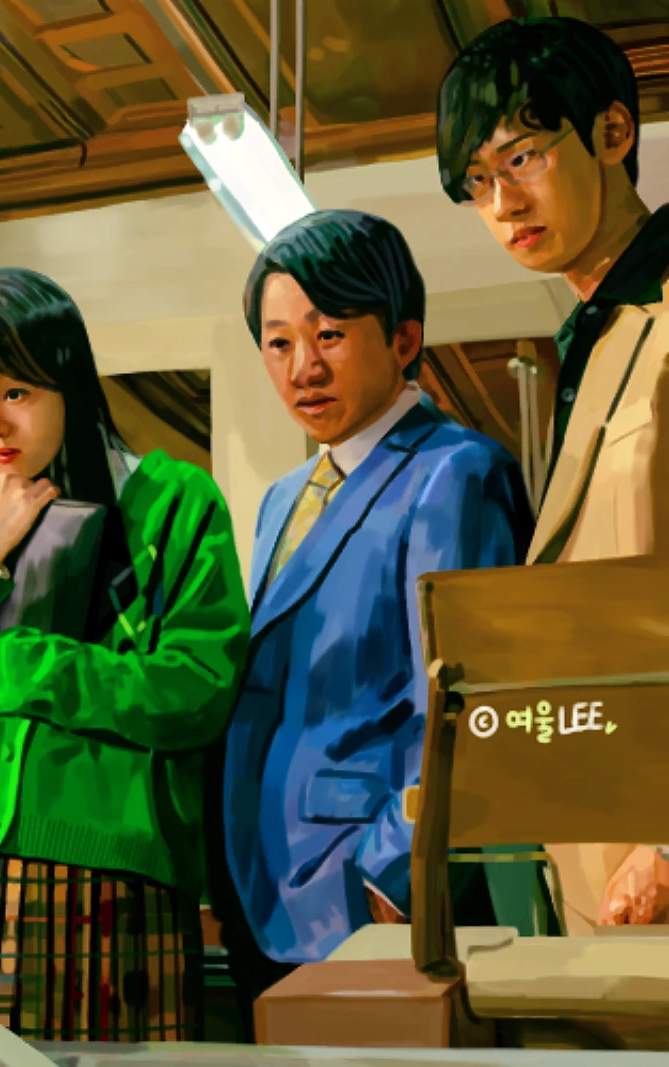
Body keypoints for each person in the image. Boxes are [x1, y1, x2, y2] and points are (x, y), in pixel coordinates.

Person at [0, 267, 249, 1043]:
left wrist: (4, 667)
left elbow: (195, 690)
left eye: (17, 392)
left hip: (116, 878)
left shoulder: (174, 502)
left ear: (70, 382)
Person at [219, 211, 539, 985]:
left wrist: (389, 878)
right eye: (279, 343)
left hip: (374, 899)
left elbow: (469, 705)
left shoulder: (456, 472)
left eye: (329, 334)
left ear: (403, 340)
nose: (303, 367)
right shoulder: (284, 497)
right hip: (267, 893)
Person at [437, 16, 669, 934]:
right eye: (477, 181)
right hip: (598, 866)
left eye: (523, 157)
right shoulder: (595, 339)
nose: (502, 203)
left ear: (612, 132)